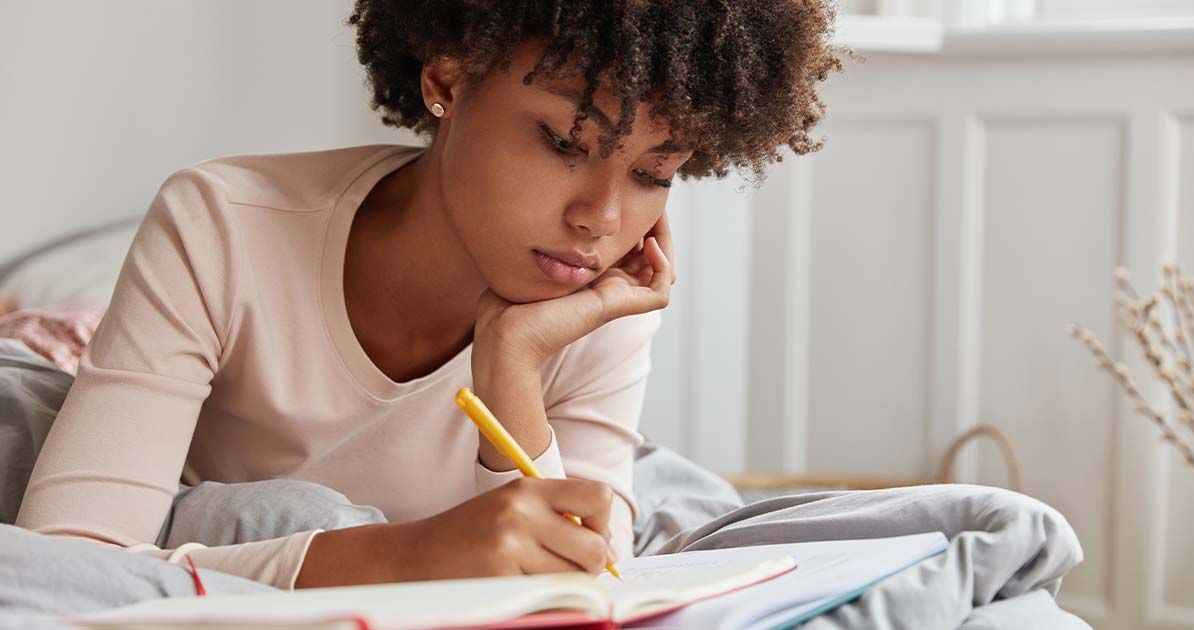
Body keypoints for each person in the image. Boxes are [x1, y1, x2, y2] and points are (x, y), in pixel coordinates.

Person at [16, 0, 839, 590]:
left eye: (656, 174)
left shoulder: (601, 293)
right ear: (448, 81)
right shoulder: (225, 225)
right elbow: (67, 565)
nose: (603, 218)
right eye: (562, 142)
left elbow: (590, 580)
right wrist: (406, 557)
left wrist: (512, 360)